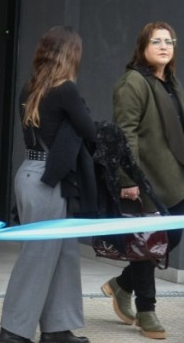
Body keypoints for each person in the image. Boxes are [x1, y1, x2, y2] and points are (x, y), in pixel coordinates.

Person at [0, 26, 93, 343]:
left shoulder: (29, 89)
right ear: (70, 55)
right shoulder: (66, 90)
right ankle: (13, 332)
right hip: (48, 180)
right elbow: (89, 131)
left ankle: (57, 330)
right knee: (38, 257)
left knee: (63, 252)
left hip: (30, 172)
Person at [105, 21, 184, 340]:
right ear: (142, 47)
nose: (165, 46)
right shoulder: (133, 83)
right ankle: (146, 310)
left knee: (170, 239)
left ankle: (122, 284)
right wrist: (128, 178)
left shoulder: (171, 82)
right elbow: (125, 134)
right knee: (146, 247)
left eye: (170, 41)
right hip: (145, 180)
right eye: (156, 41)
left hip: (173, 178)